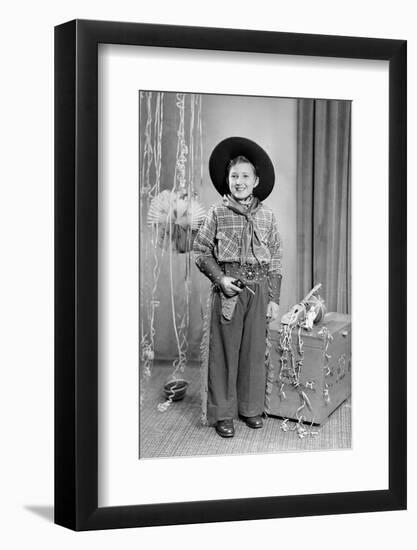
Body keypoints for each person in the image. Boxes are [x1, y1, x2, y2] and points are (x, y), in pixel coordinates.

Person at [193, 137, 283, 438]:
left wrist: (273, 298)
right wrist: (221, 279)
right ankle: (223, 413)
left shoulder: (267, 216)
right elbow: (201, 251)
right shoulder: (217, 213)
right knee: (225, 353)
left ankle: (250, 408)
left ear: (256, 180)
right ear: (227, 181)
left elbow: (277, 257)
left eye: (245, 176)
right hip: (230, 289)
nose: (239, 182)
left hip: (258, 290)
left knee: (254, 353)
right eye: (234, 177)